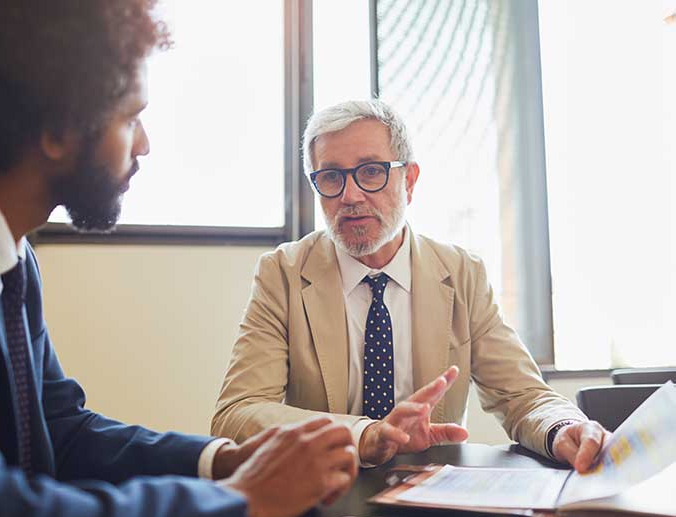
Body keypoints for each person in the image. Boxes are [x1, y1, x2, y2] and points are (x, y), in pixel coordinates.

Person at [0, 1, 357, 517]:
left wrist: (224, 463)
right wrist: (245, 499)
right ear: (57, 130)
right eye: (132, 118)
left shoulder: (10, 254)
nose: (145, 144)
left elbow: (62, 432)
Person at [212, 99, 611, 472]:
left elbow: (522, 396)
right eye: (331, 176)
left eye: (371, 171)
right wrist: (363, 434)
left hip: (432, 493)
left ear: (410, 180)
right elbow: (237, 413)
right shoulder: (282, 272)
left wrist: (562, 427)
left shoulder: (462, 272)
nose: (350, 195)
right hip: (323, 489)